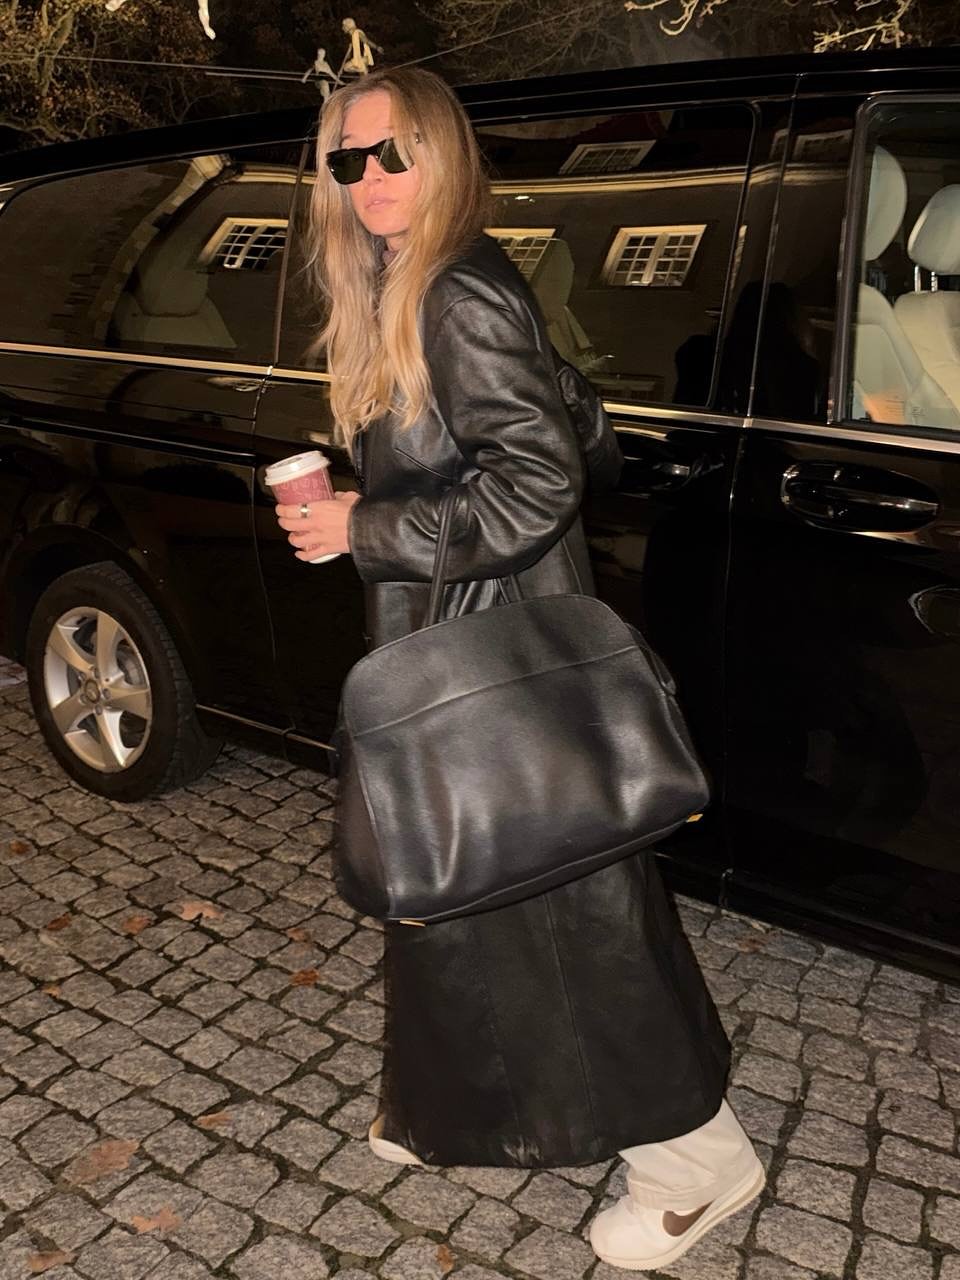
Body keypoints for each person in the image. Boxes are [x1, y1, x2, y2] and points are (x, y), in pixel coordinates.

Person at [274, 66, 764, 1272]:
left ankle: (699, 1162)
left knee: (570, 907)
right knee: (447, 886)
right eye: (348, 159)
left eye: (394, 151)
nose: (371, 177)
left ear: (442, 151)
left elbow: (540, 482)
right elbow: (556, 429)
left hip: (497, 651)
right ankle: (450, 1103)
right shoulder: (406, 281)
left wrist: (365, 526)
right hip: (448, 632)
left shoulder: (456, 289)